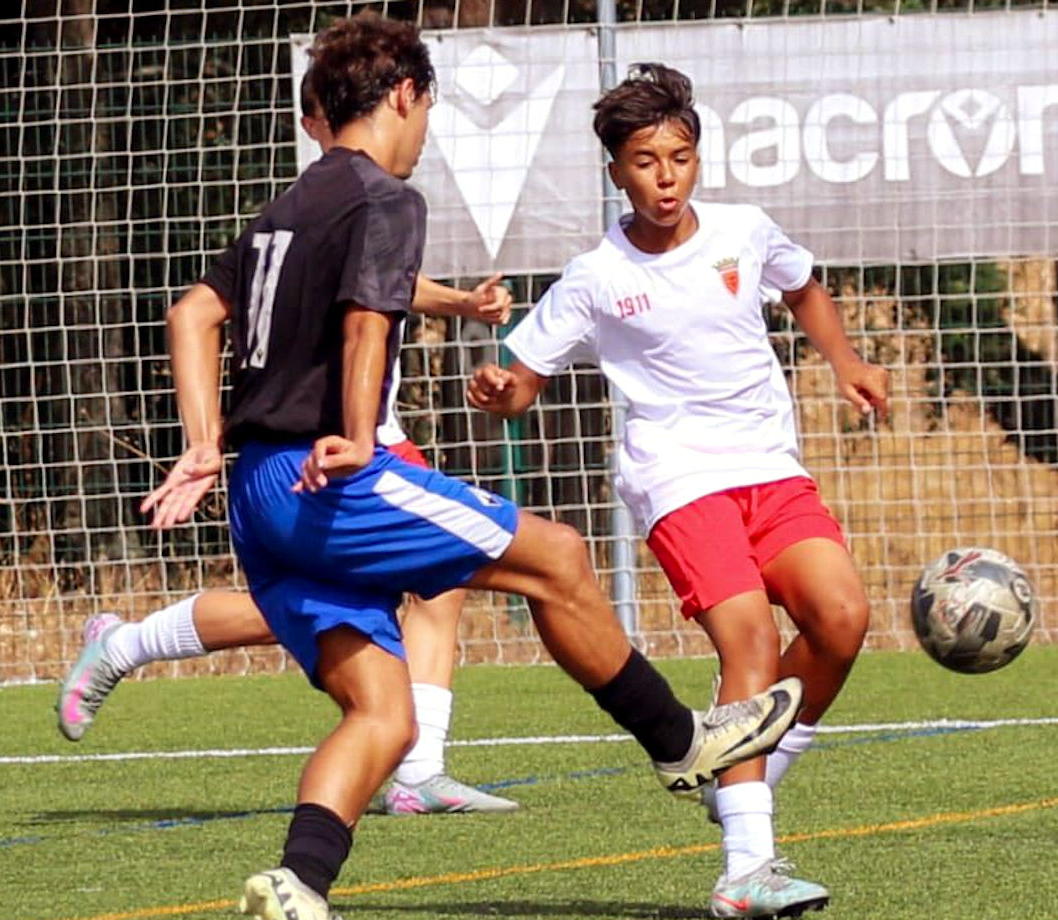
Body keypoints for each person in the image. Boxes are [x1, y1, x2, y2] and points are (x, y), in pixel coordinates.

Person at [139, 17, 801, 920]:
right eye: (427, 111)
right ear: (405, 95)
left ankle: (297, 884)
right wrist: (362, 434)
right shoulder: (384, 196)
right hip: (326, 478)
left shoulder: (284, 210)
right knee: (557, 555)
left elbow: (190, 314)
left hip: (256, 492)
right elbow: (367, 322)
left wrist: (203, 443)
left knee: (383, 713)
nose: (424, 133)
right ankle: (681, 740)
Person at [467, 62, 889, 918]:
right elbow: (523, 380)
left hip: (770, 467)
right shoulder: (595, 276)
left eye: (681, 157)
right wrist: (499, 391)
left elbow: (802, 284)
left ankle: (746, 779)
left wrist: (845, 360)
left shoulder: (743, 230)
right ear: (616, 172)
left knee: (842, 618)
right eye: (646, 161)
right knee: (749, 640)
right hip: (679, 478)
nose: (667, 177)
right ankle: (746, 867)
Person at [54, 74, 519, 818]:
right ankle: (128, 644)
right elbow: (206, 313)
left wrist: (460, 302)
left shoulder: (346, 203)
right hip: (325, 444)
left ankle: (417, 768)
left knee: (428, 582)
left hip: (367, 436)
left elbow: (383, 284)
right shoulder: (321, 206)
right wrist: (208, 438)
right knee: (326, 600)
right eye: (318, 117)